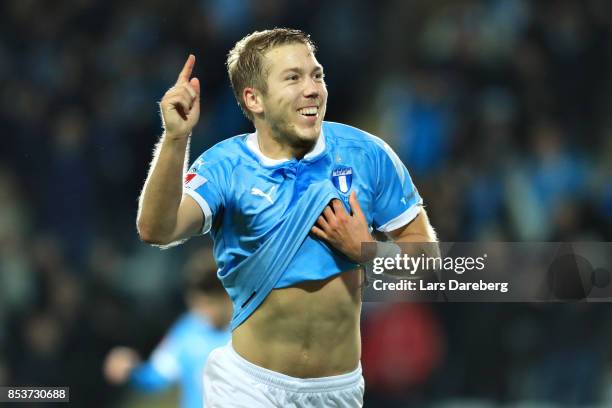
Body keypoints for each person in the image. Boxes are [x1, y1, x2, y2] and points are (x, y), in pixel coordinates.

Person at [137, 28, 437, 407]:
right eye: (293, 78)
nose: (312, 89)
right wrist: (175, 139)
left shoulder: (368, 155)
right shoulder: (225, 166)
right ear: (254, 98)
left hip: (338, 391)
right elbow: (156, 230)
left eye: (317, 75)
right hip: (249, 387)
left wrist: (369, 253)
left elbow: (429, 264)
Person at [103, 248, 231, 408]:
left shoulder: (248, 329)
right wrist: (131, 370)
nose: (202, 309)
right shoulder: (186, 332)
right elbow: (155, 376)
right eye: (197, 302)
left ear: (226, 295)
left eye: (209, 302)